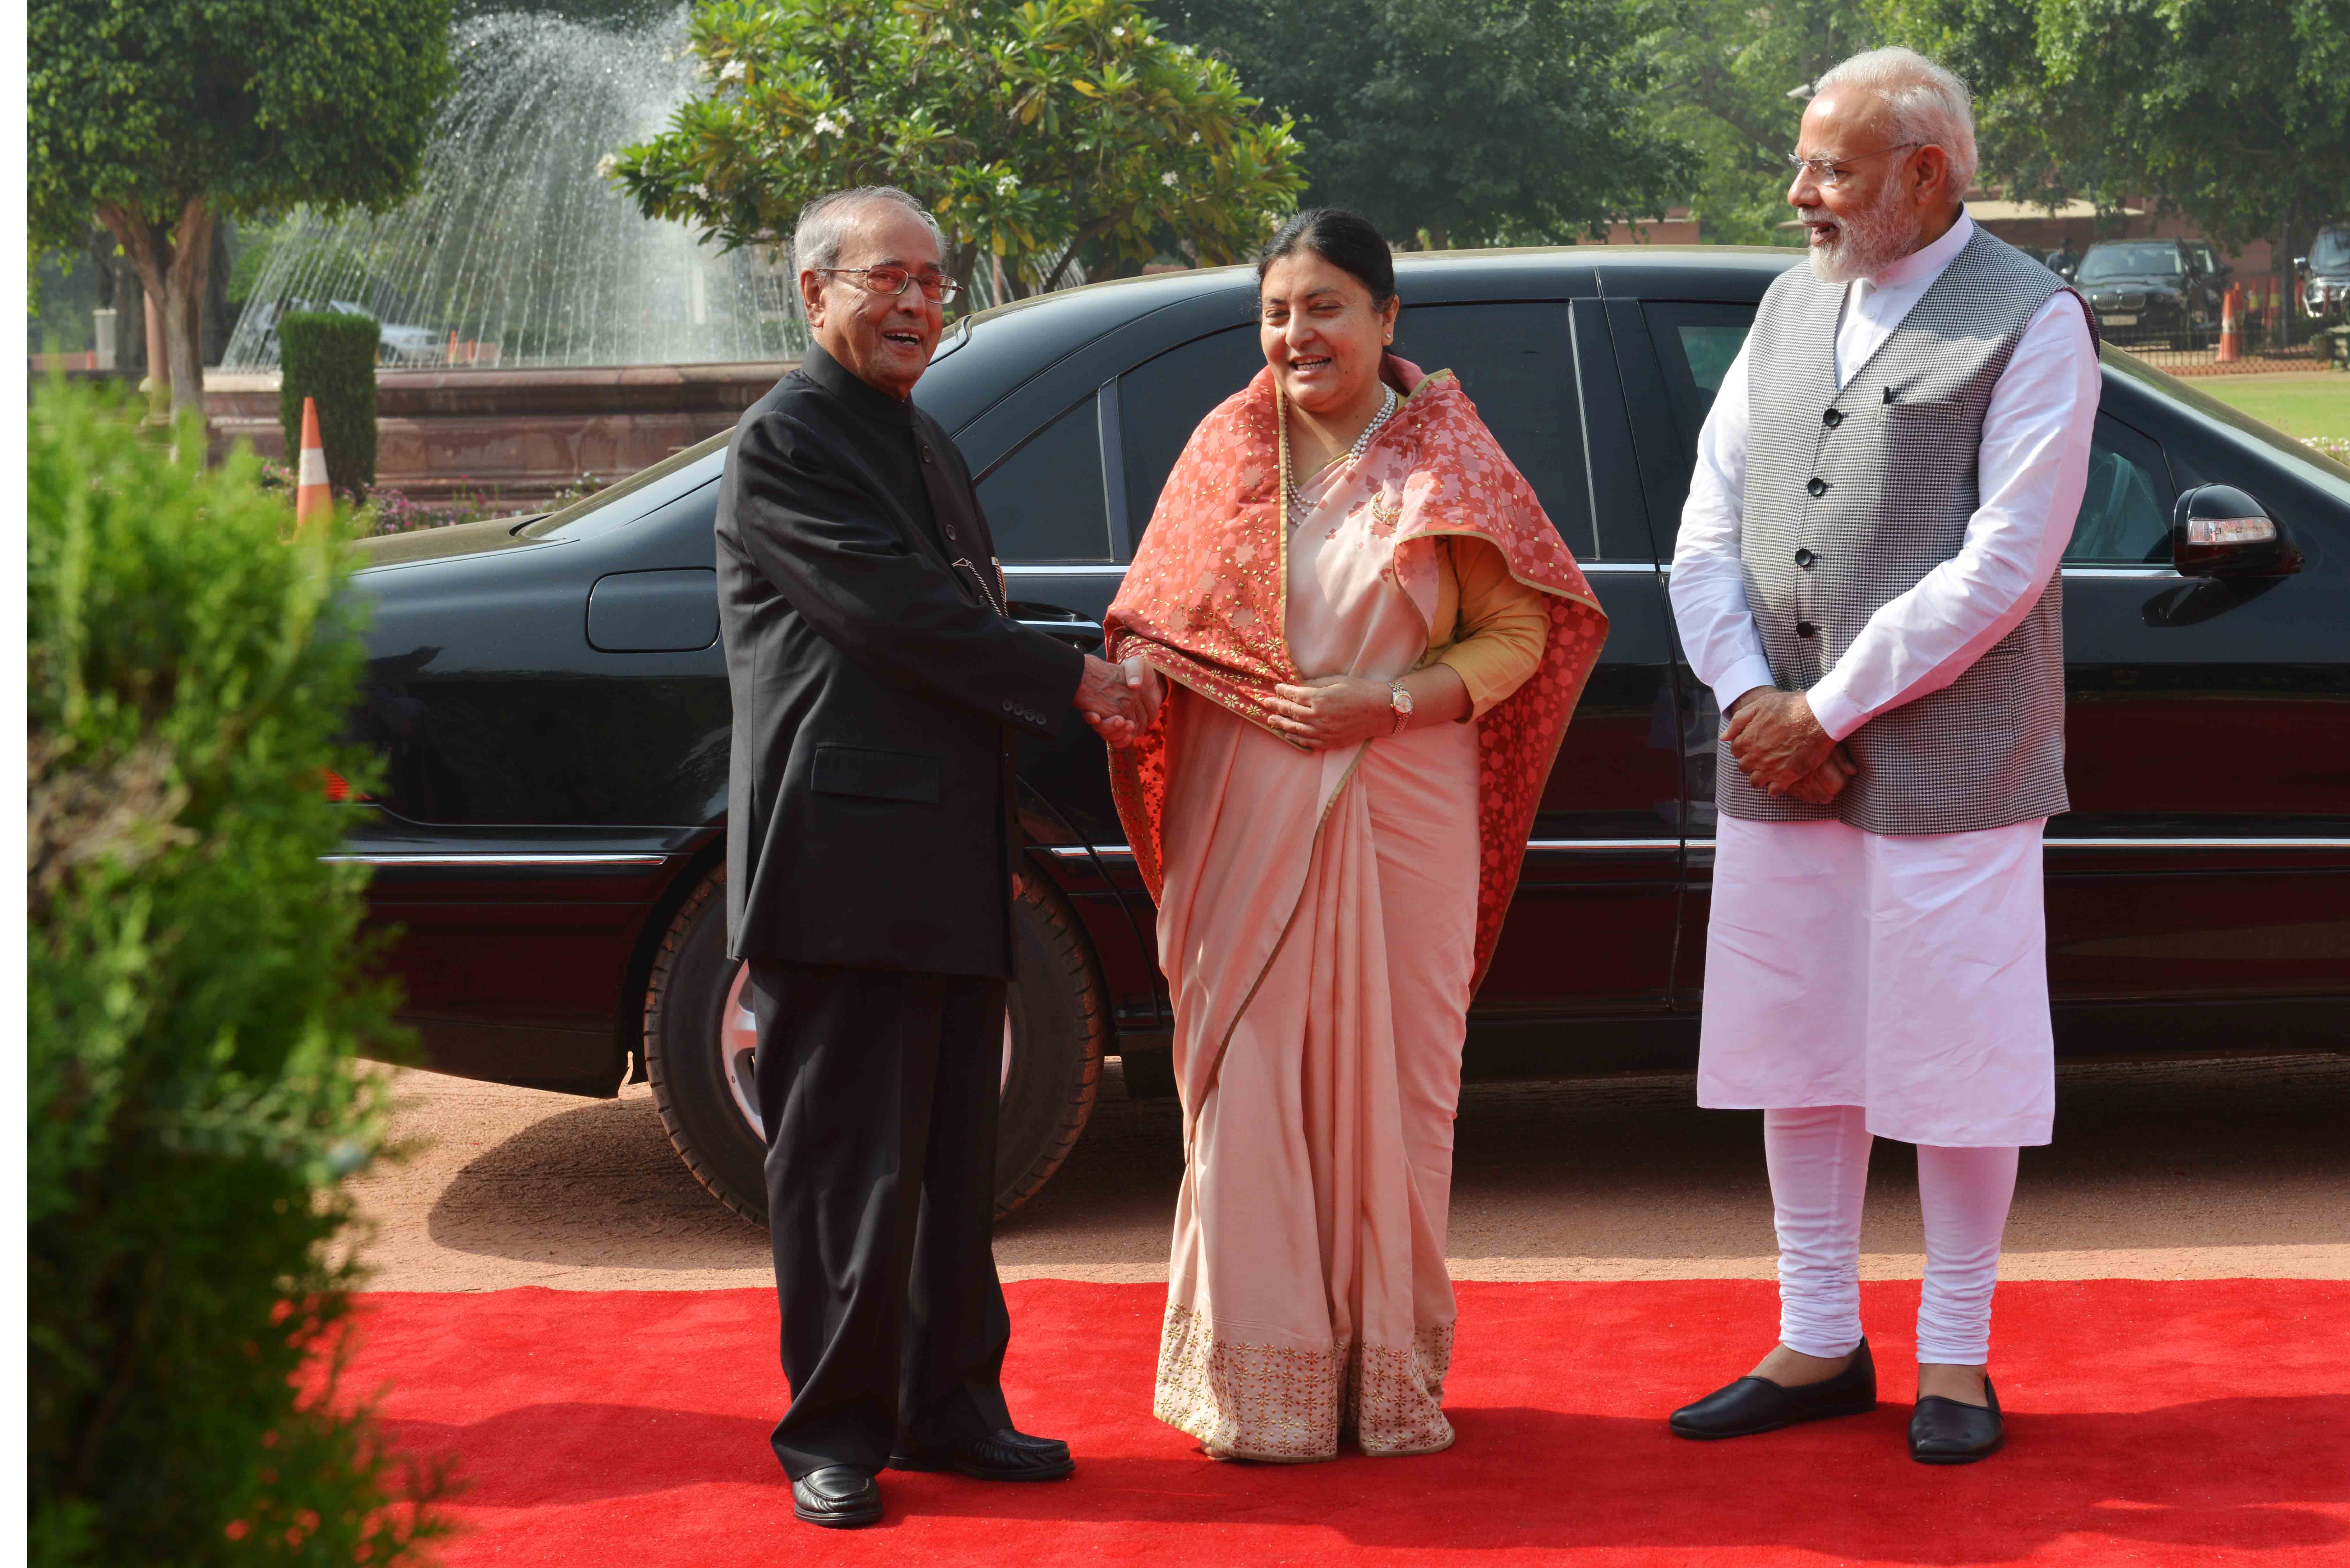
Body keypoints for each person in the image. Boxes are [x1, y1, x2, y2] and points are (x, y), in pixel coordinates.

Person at [1101, 209, 1609, 1462]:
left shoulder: (1447, 455)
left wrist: (1377, 703)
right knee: (1249, 1085)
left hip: (1404, 803)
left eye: (1324, 305)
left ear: (1388, 319)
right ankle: (1258, 1395)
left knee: (1400, 1093)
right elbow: (1157, 625)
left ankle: (1381, 1382)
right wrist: (1138, 671)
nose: (1296, 332)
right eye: (1276, 310)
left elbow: (1521, 633)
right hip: (1244, 815)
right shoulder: (1225, 451)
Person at [1663, 49, 2100, 1465]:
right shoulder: (1790, 307)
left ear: (1926, 173)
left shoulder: (2033, 321)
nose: (1799, 195)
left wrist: (1821, 712)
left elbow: (2006, 565)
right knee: (1804, 1046)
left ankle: (1957, 1359)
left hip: (1947, 773)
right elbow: (1704, 534)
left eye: (1831, 170)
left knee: (1955, 1062)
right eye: (1802, 164)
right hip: (1776, 758)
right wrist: (1748, 698)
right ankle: (1815, 1339)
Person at [714, 184, 1150, 1528]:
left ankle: (953, 1407)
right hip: (839, 864)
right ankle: (834, 1432)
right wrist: (1073, 680)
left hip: (949, 859)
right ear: (813, 293)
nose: (916, 303)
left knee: (954, 1162)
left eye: (933, 281)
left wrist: (1127, 636)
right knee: (846, 1166)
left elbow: (963, 606)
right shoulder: (786, 441)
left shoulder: (919, 437)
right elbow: (895, 616)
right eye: (885, 278)